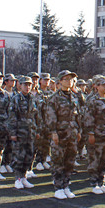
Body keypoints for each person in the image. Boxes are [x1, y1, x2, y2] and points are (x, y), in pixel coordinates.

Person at [45, 70, 80, 200]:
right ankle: (58, 187)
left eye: (71, 79)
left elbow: (77, 116)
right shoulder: (54, 98)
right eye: (66, 79)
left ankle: (66, 185)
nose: (69, 81)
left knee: (69, 161)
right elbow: (51, 117)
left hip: (72, 133)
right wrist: (53, 132)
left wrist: (78, 131)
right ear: (60, 81)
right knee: (58, 160)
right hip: (60, 133)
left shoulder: (74, 96)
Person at [84, 75, 105, 195]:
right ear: (96, 86)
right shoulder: (92, 100)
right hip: (96, 135)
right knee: (95, 158)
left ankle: (101, 181)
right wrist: (90, 133)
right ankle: (94, 183)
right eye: (104, 85)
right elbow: (88, 118)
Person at [9, 76, 38, 189]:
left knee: (29, 155)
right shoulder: (16, 99)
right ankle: (18, 178)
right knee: (19, 155)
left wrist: (37, 130)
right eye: (25, 85)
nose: (27, 87)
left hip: (30, 131)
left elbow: (36, 116)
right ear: (20, 85)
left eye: (29, 85)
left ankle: (24, 177)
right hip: (20, 131)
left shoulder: (32, 98)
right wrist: (13, 133)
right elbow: (12, 117)